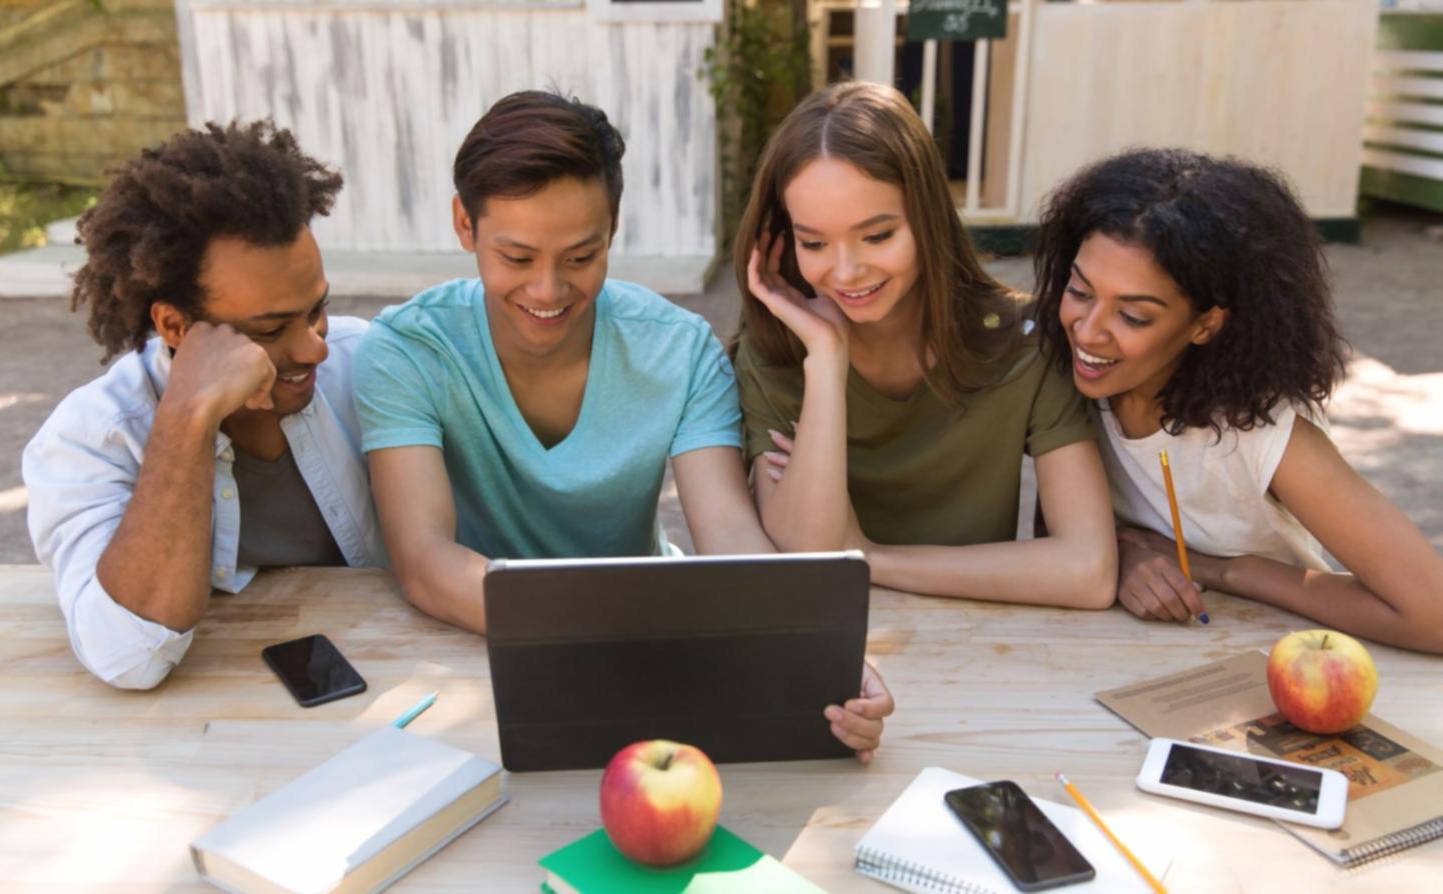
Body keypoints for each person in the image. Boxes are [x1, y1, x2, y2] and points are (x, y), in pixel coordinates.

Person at [353, 90, 893, 759]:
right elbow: (425, 563)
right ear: (465, 224)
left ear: (613, 227)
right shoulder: (405, 351)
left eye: (581, 256)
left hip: (646, 660)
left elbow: (729, 540)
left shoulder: (680, 349)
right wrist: (619, 630)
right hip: (468, 655)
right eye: (517, 258)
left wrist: (814, 657)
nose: (549, 291)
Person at [1031, 147, 1443, 653]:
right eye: (1079, 290)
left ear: (1206, 324)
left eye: (1133, 316)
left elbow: (1433, 614)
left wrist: (1219, 570)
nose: (1088, 332)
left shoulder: (1261, 434)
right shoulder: (1062, 381)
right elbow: (1055, 523)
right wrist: (1121, 556)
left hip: (1277, 664)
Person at [22, 121, 387, 690]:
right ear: (174, 325)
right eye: (270, 328)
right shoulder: (91, 436)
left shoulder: (365, 363)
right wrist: (189, 417)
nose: (314, 345)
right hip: (202, 719)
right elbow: (127, 657)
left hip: (385, 678)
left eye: (316, 309)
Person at [735, 81, 1117, 608]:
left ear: (927, 218)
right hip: (843, 655)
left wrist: (868, 557)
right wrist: (825, 361)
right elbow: (808, 554)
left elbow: (1089, 572)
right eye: (814, 243)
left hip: (987, 646)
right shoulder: (777, 353)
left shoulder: (1024, 343)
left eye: (877, 236)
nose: (846, 271)